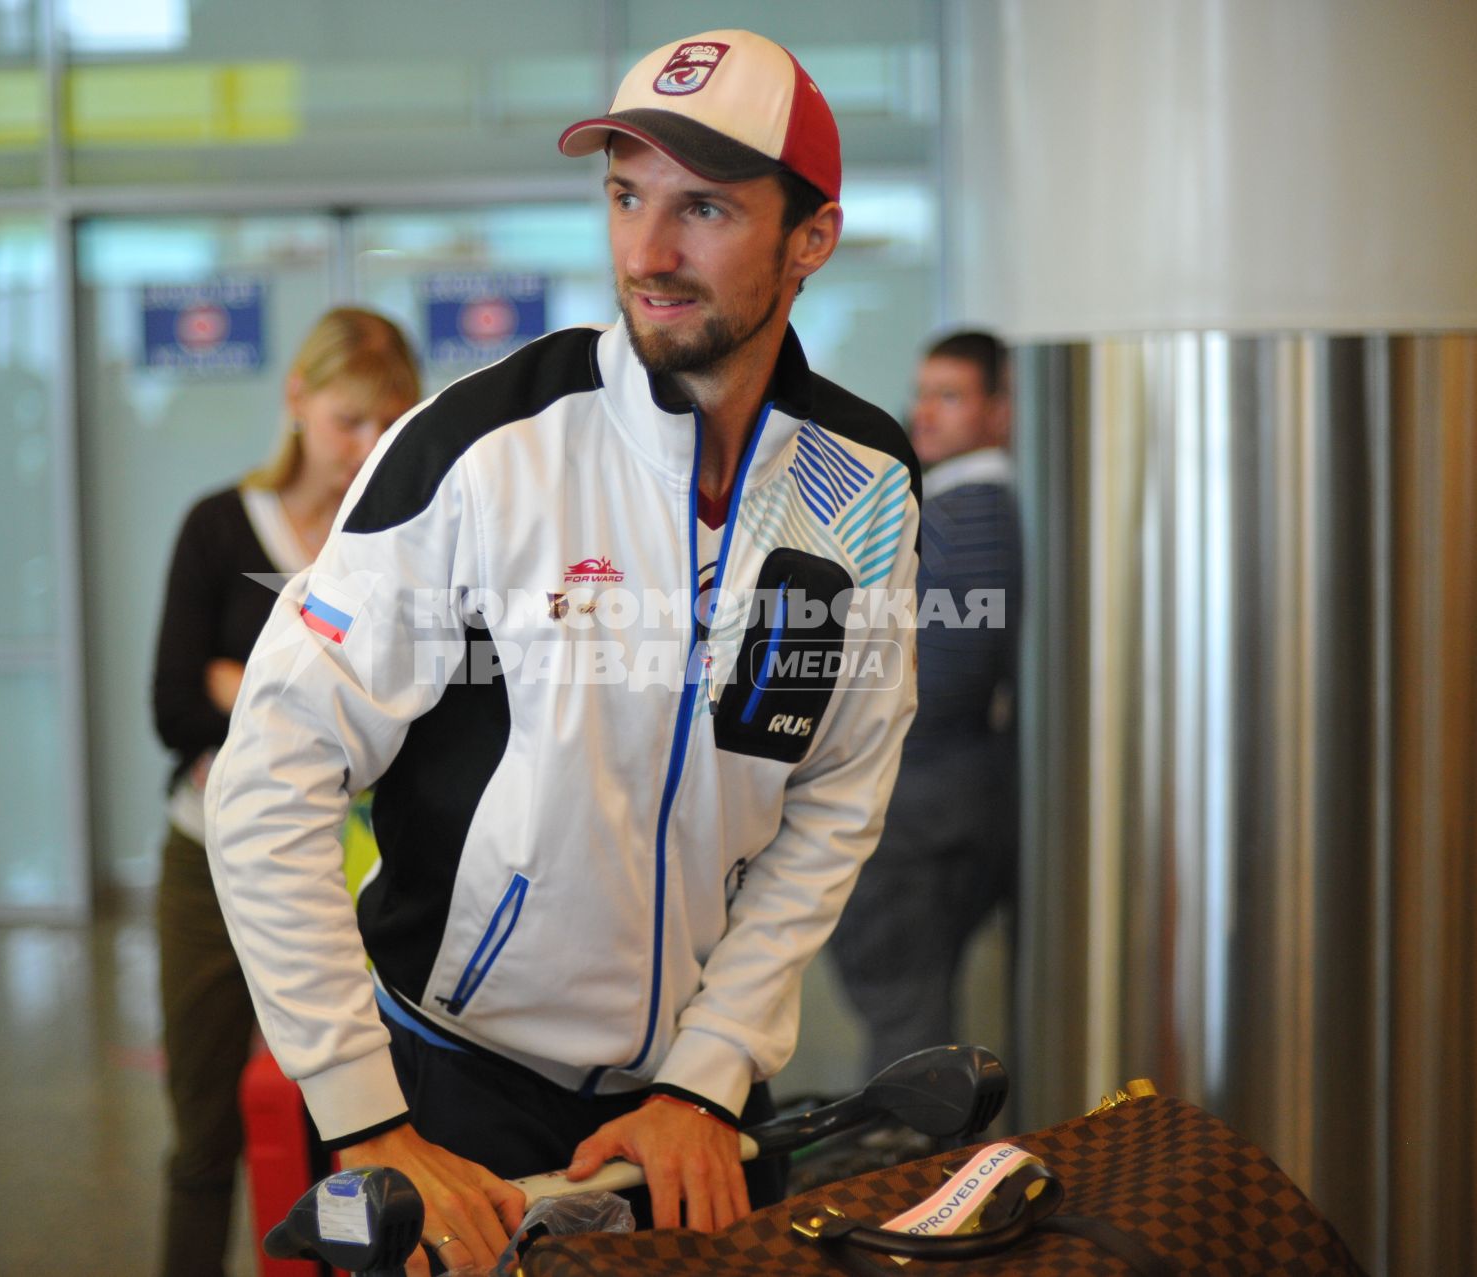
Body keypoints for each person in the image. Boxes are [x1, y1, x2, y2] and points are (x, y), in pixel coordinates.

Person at [205, 30, 922, 1275]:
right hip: (446, 1092)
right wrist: (368, 1118)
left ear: (812, 237)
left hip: (695, 1112)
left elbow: (830, 797)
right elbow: (267, 773)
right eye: (626, 194)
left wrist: (711, 1074)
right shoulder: (485, 449)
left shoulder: (864, 485)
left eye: (703, 206)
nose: (647, 251)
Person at [150, 308, 420, 1277]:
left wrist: (247, 679)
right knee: (205, 1126)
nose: (364, 447)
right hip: (209, 860)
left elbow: (417, 709)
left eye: (389, 422)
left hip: (364, 867)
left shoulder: (400, 533)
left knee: (347, 1120)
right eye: (350, 419)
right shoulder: (221, 526)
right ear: (296, 399)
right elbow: (177, 704)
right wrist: (304, 702)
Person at [828, 331, 1022, 1078]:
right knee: (911, 1018)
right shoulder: (956, 505)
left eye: (952, 396)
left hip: (918, 809)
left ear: (999, 412)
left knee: (904, 1029)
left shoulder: (966, 511)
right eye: (923, 393)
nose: (925, 413)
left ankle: (918, 1183)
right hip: (953, 798)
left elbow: (941, 680)